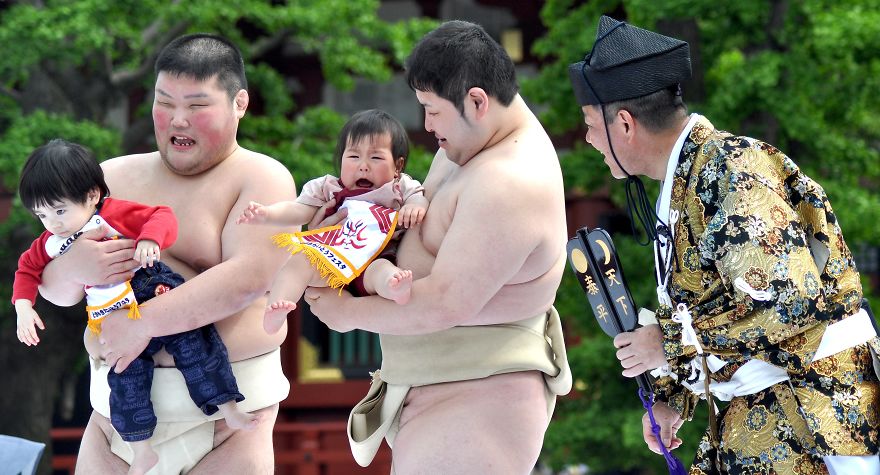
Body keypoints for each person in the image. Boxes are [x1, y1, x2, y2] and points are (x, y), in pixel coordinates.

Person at [569, 15, 880, 474]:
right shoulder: (684, 183)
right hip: (759, 414)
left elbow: (787, 301)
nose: (589, 139)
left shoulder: (731, 168)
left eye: (591, 124)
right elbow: (704, 304)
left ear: (625, 124)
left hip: (814, 412)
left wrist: (669, 345)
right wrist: (673, 394)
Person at [304, 20, 572, 474]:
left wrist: (346, 315)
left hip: (479, 394)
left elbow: (447, 303)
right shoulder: (465, 147)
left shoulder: (510, 181)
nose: (427, 126)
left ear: (476, 101)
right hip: (433, 380)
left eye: (432, 110)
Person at [37, 34, 296, 473]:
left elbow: (246, 279)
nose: (178, 119)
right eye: (164, 102)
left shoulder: (262, 178)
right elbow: (58, 292)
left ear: (240, 103)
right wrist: (72, 266)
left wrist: (144, 325)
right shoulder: (108, 178)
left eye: (197, 106)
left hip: (226, 430)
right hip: (114, 424)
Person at [12, 139, 260, 475]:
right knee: (125, 380)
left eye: (59, 210)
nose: (53, 223)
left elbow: (160, 216)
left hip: (151, 290)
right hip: (111, 317)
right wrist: (24, 307)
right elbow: (26, 271)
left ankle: (228, 406)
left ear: (91, 196)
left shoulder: (111, 214)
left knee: (194, 343)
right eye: (41, 214)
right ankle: (141, 448)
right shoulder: (50, 243)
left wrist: (148, 239)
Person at [236, 109, 427, 334]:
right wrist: (268, 214)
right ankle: (276, 309)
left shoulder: (398, 187)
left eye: (376, 157)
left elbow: (418, 196)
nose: (363, 165)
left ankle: (394, 288)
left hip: (373, 261)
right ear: (341, 159)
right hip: (332, 262)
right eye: (354, 156)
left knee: (384, 271)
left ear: (398, 166)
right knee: (299, 260)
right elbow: (300, 210)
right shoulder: (328, 188)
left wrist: (415, 206)